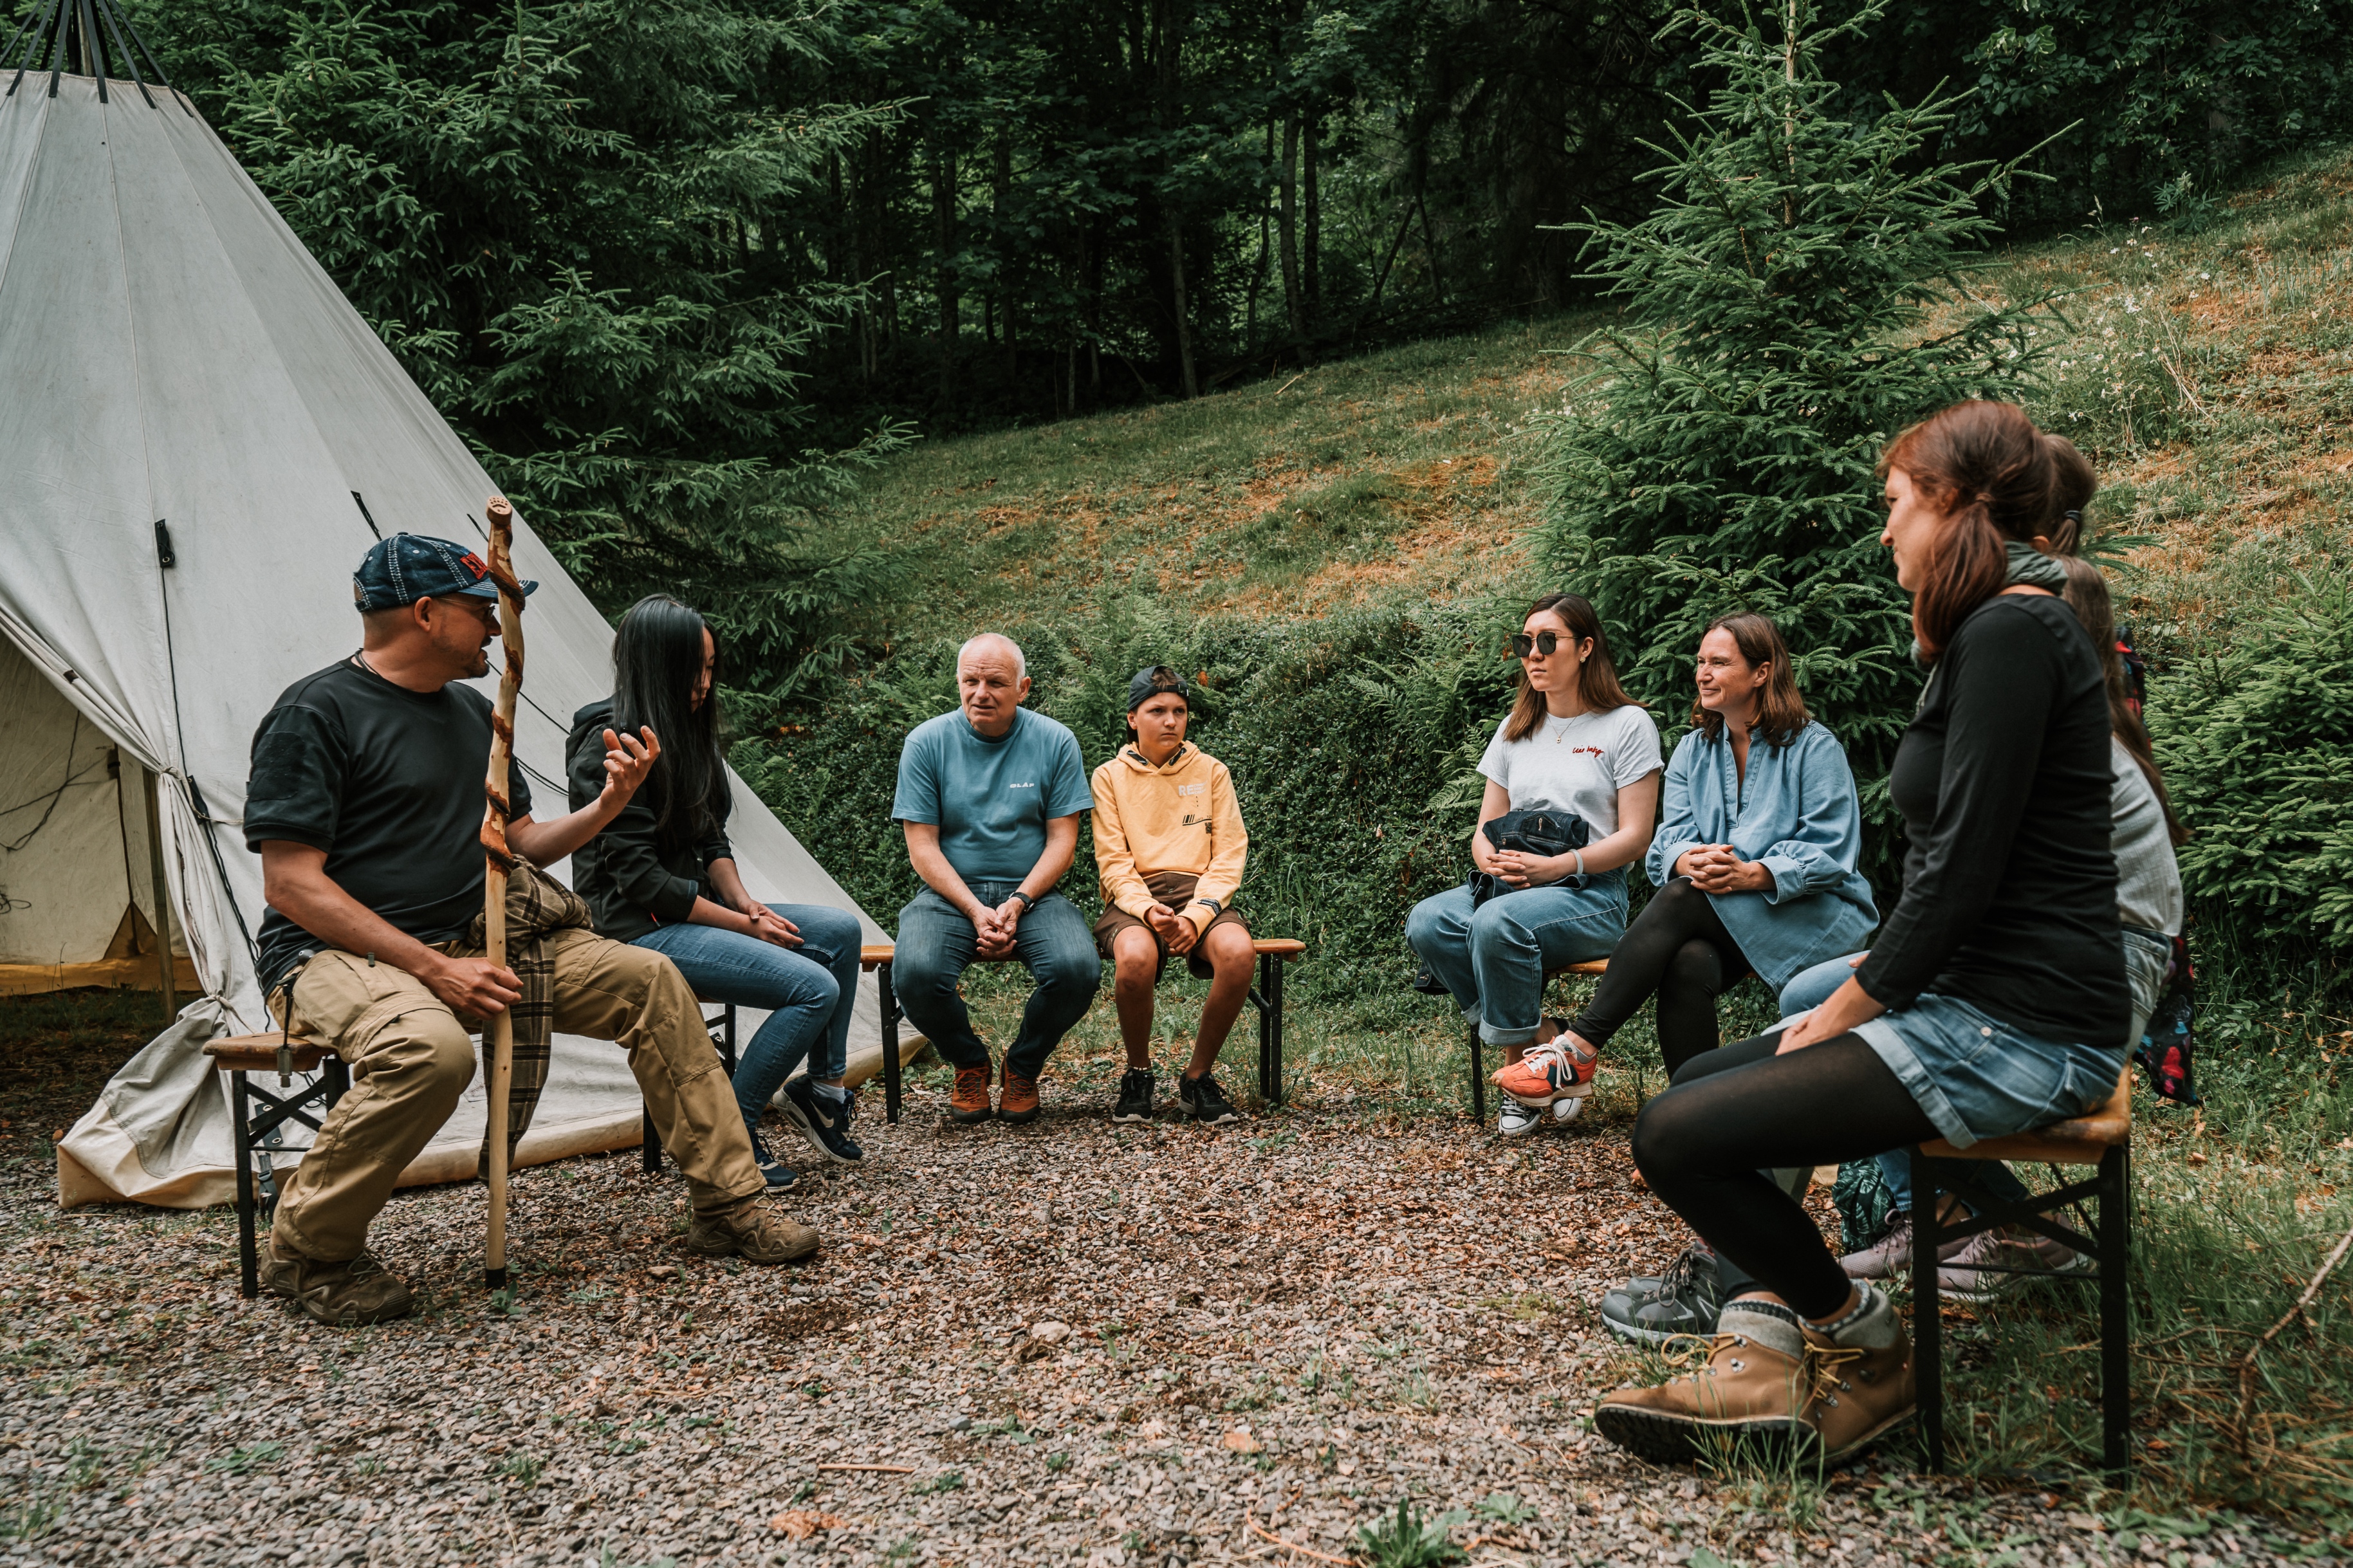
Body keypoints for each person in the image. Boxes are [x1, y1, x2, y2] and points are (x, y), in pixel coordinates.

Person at [1591, 401, 2128, 1466]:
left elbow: (1958, 875)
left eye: (1895, 505)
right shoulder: (1992, 631)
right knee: (1693, 1091)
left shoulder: (2014, 631)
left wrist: (1850, 1002)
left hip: (2018, 1027)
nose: (1883, 532)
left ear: (1955, 505)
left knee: (1674, 1137)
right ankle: (1773, 1341)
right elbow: (1953, 870)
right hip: (1970, 1006)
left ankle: (1865, 1347)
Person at [247, 536, 816, 1327]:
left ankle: (728, 1202)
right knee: (428, 1051)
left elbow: (518, 843)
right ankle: (311, 1249)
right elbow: (291, 884)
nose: (497, 628)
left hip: (483, 932)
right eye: (485, 611)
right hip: (335, 952)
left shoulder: (479, 713)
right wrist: (432, 968)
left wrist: (610, 804)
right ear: (425, 613)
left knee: (651, 980)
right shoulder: (315, 713)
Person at [1504, 613, 1874, 1108]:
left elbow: (1832, 850)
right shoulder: (1692, 750)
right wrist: (1688, 859)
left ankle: (1579, 1045)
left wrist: (1755, 872)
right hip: (1722, 909)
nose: (1702, 672)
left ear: (1761, 672)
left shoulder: (1813, 746)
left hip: (1811, 912)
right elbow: (1666, 845)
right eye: (1700, 661)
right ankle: (1692, 1121)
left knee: (1682, 895)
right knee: (1686, 962)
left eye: (1719, 662)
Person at [565, 596, 865, 1193]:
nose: (704, 683)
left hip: (692, 908)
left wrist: (746, 903)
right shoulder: (606, 742)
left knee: (839, 931)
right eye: (691, 670)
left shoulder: (689, 730)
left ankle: (823, 1091)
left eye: (709, 667)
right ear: (654, 665)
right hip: (633, 926)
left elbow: (710, 836)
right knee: (813, 987)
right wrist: (741, 927)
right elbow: (641, 882)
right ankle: (736, 1128)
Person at [1404, 592, 1663, 1136]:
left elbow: (1637, 837)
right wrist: (1492, 860)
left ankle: (1518, 1073)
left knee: (1497, 923)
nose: (1534, 654)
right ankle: (1543, 1046)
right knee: (1428, 921)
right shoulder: (1515, 727)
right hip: (1509, 882)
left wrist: (1558, 866)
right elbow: (1484, 828)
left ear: (1586, 647)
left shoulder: (1627, 725)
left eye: (1548, 641)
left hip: (1589, 894)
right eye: (1525, 643)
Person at [891, 633, 1098, 1125]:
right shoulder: (926, 742)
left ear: (1023, 688)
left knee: (1077, 969)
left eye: (995, 682)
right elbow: (921, 845)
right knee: (915, 973)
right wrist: (972, 908)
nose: (980, 692)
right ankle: (969, 1062)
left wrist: (1020, 900)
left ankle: (1022, 1064)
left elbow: (1061, 841)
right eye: (970, 680)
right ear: (958, 683)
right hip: (949, 895)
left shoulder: (1054, 740)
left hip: (1034, 894)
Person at [1091, 667, 1254, 1125]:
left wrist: (1197, 915)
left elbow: (1229, 853)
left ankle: (1197, 1076)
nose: (1170, 721)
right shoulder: (1108, 777)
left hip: (1198, 892)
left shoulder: (1211, 771)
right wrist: (1147, 909)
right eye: (1156, 711)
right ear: (1132, 718)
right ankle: (1138, 1074)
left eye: (1179, 711)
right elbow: (1113, 862)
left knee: (1239, 953)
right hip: (1133, 897)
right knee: (1136, 958)